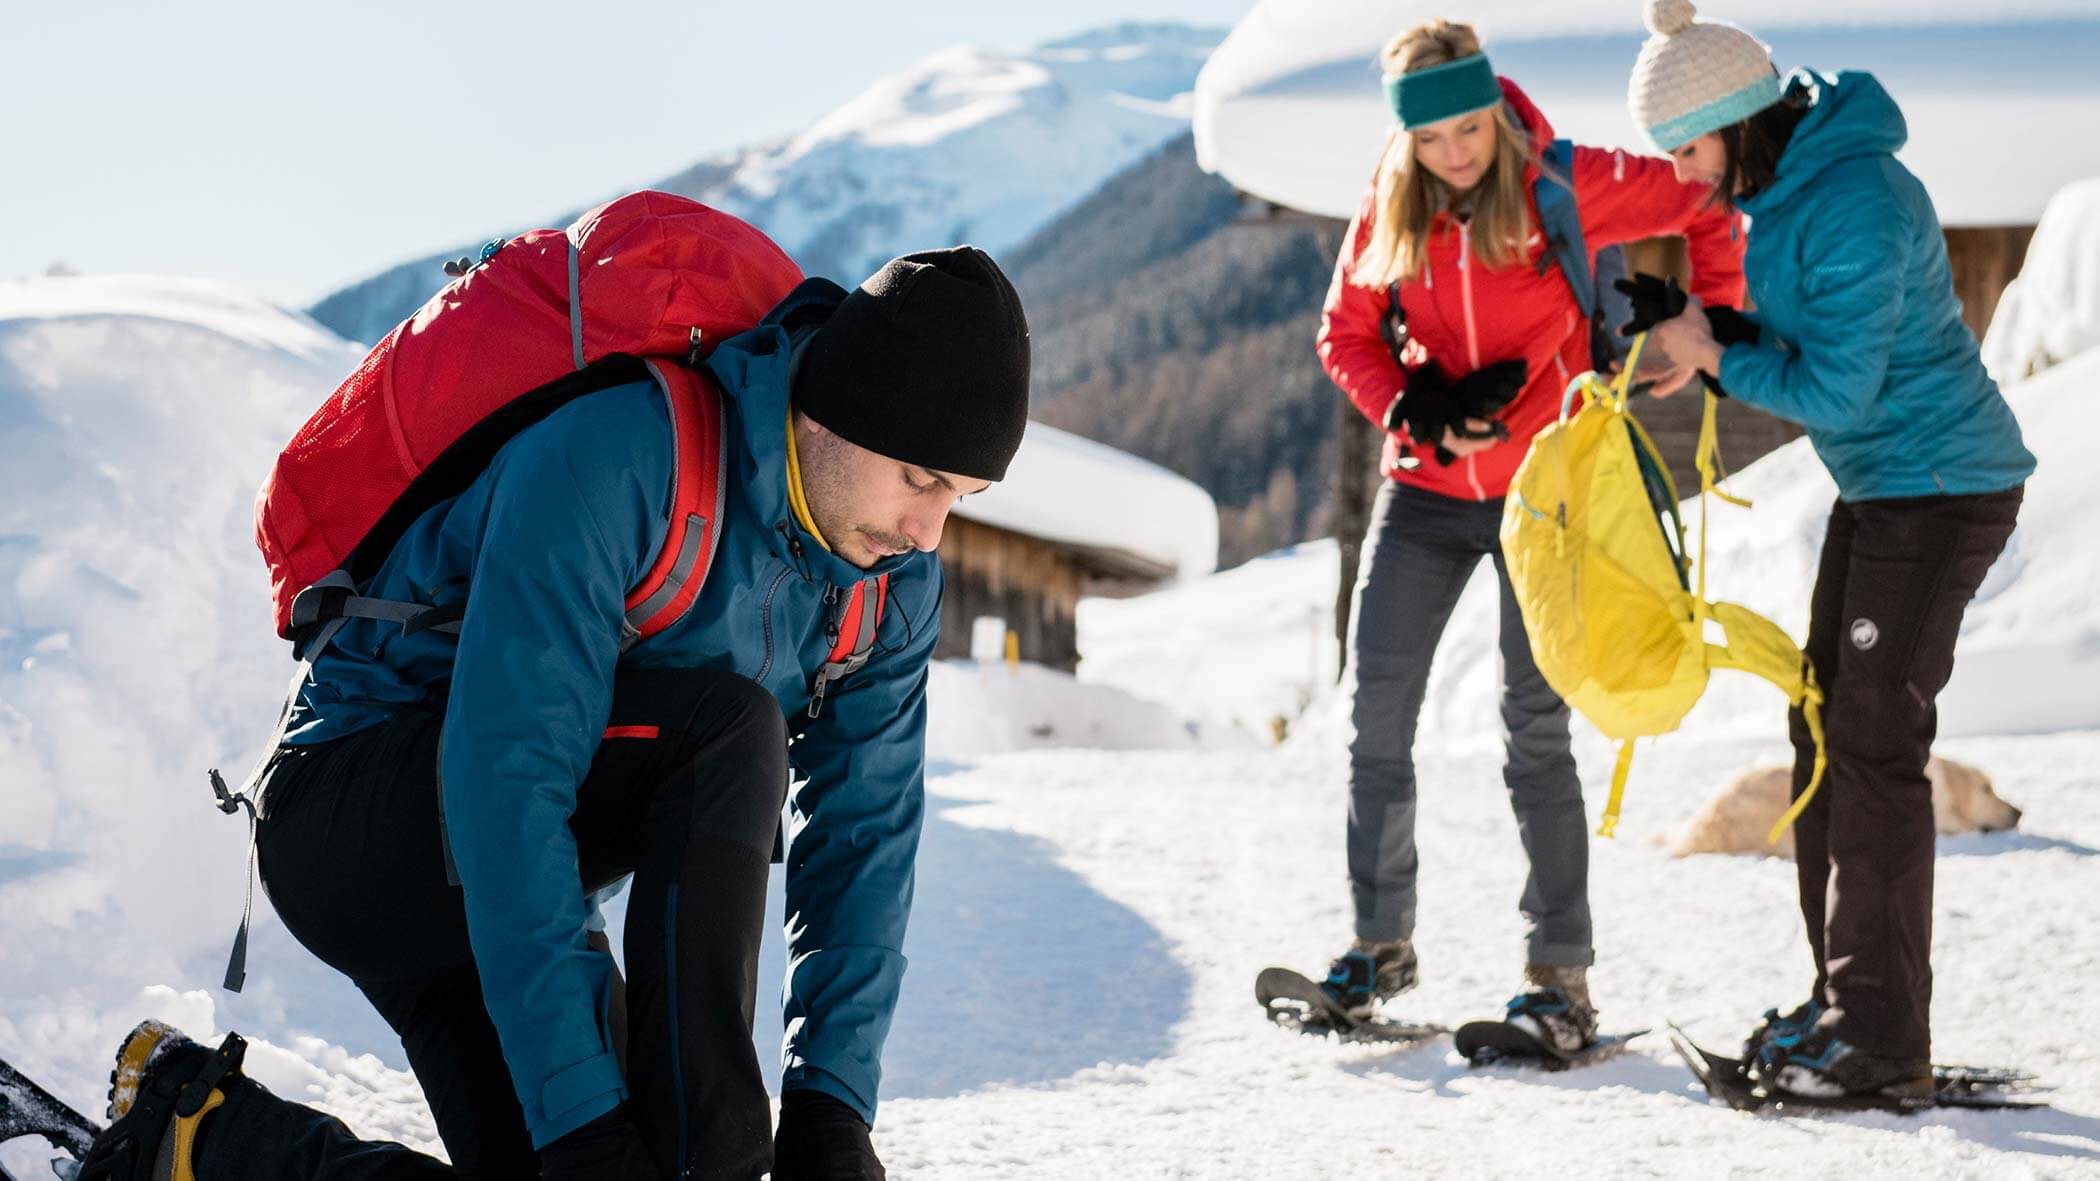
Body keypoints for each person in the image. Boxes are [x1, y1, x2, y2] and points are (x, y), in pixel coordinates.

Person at [78, 246, 1032, 1180]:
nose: (928, 528)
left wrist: (832, 1105)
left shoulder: (888, 584)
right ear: (831, 412)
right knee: (726, 730)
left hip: (519, 884)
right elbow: (511, 779)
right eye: (917, 478)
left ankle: (202, 1137)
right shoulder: (619, 457)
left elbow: (864, 839)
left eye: (961, 495)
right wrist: (586, 1126)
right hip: (362, 818)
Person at [1625, 0, 2034, 1098]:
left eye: (1688, 147)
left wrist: (1715, 354)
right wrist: (1707, 333)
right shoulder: (1790, 187)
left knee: (1869, 740)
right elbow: (1819, 347)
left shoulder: (1850, 197)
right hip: (1889, 481)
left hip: (1940, 488)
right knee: (1822, 727)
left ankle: (1881, 1036)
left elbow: (1836, 388)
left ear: (1739, 119)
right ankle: (1842, 996)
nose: (1685, 173)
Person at [1314, 17, 1746, 1050]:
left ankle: (1559, 976)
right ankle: (1380, 943)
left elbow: (1706, 198)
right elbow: (1345, 332)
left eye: (1468, 128)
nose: (1455, 153)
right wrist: (1413, 406)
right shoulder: (1394, 195)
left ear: (1494, 111)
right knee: (1375, 714)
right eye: (1432, 139)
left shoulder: (1565, 178)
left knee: (1534, 733)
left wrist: (1709, 322)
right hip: (1421, 492)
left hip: (1544, 498)